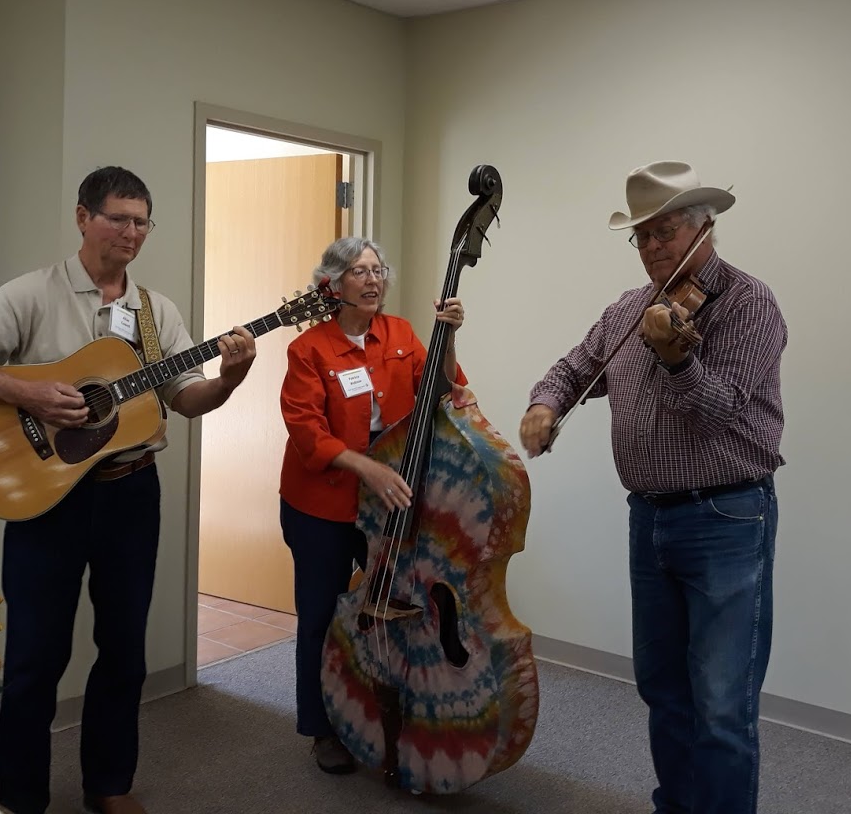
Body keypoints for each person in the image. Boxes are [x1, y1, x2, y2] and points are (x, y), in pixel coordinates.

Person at [0, 166, 257, 814]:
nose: (131, 233)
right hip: (47, 500)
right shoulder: (34, 293)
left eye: (141, 222)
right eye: (118, 218)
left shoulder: (157, 312)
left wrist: (230, 380)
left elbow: (186, 398)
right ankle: (21, 799)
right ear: (83, 217)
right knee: (34, 658)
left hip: (132, 493)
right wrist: (27, 394)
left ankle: (109, 785)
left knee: (125, 649)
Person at [519, 161, 786, 814]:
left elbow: (719, 410)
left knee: (721, 703)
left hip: (726, 517)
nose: (651, 247)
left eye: (664, 232)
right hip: (649, 517)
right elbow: (574, 366)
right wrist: (545, 405)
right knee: (663, 689)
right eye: (641, 236)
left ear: (704, 228)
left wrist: (674, 357)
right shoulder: (628, 309)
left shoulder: (748, 304)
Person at [278, 236, 467, 774]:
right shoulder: (308, 348)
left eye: (378, 270)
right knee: (322, 614)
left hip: (388, 503)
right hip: (322, 505)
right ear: (332, 284)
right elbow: (307, 431)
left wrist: (448, 336)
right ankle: (322, 729)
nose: (373, 280)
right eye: (359, 271)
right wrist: (368, 468)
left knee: (399, 606)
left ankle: (392, 711)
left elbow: (445, 390)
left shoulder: (401, 333)